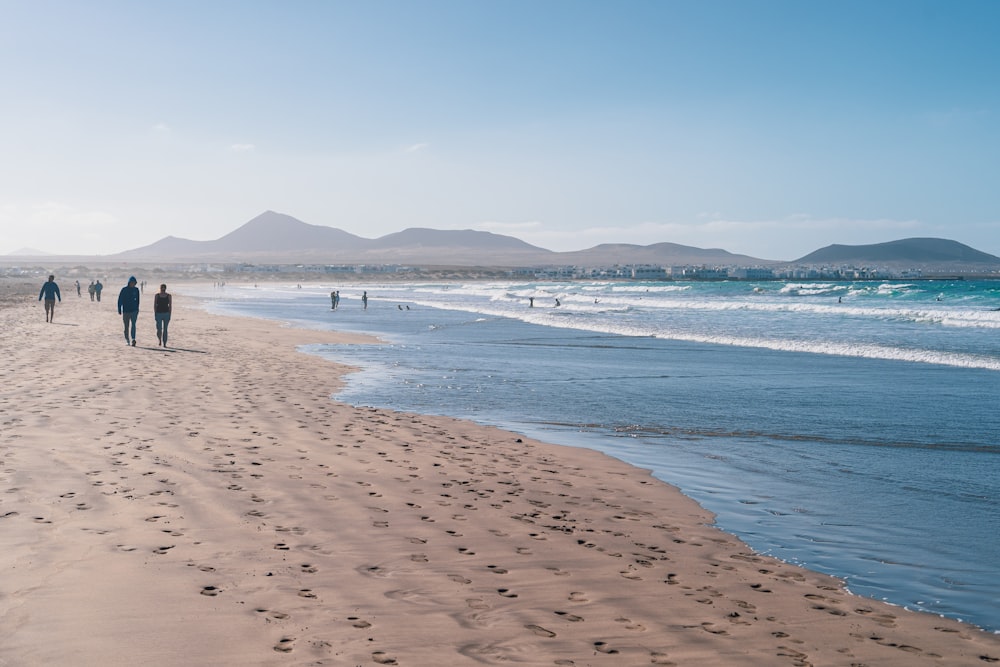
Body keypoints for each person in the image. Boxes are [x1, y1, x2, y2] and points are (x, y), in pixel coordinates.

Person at [117, 276, 140, 346]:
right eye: (132, 282)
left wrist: (137, 309)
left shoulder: (136, 290)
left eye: (134, 283)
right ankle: (127, 339)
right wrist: (119, 308)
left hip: (134, 310)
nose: (133, 284)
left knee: (133, 324)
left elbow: (138, 300)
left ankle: (133, 338)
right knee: (126, 326)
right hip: (126, 310)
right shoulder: (124, 289)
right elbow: (120, 299)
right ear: (129, 282)